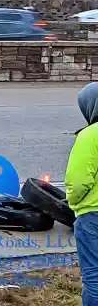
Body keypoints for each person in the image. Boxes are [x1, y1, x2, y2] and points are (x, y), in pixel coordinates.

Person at [65, 82, 98, 306]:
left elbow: (78, 182)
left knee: (95, 280)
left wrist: (72, 203)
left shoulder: (90, 135)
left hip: (93, 216)